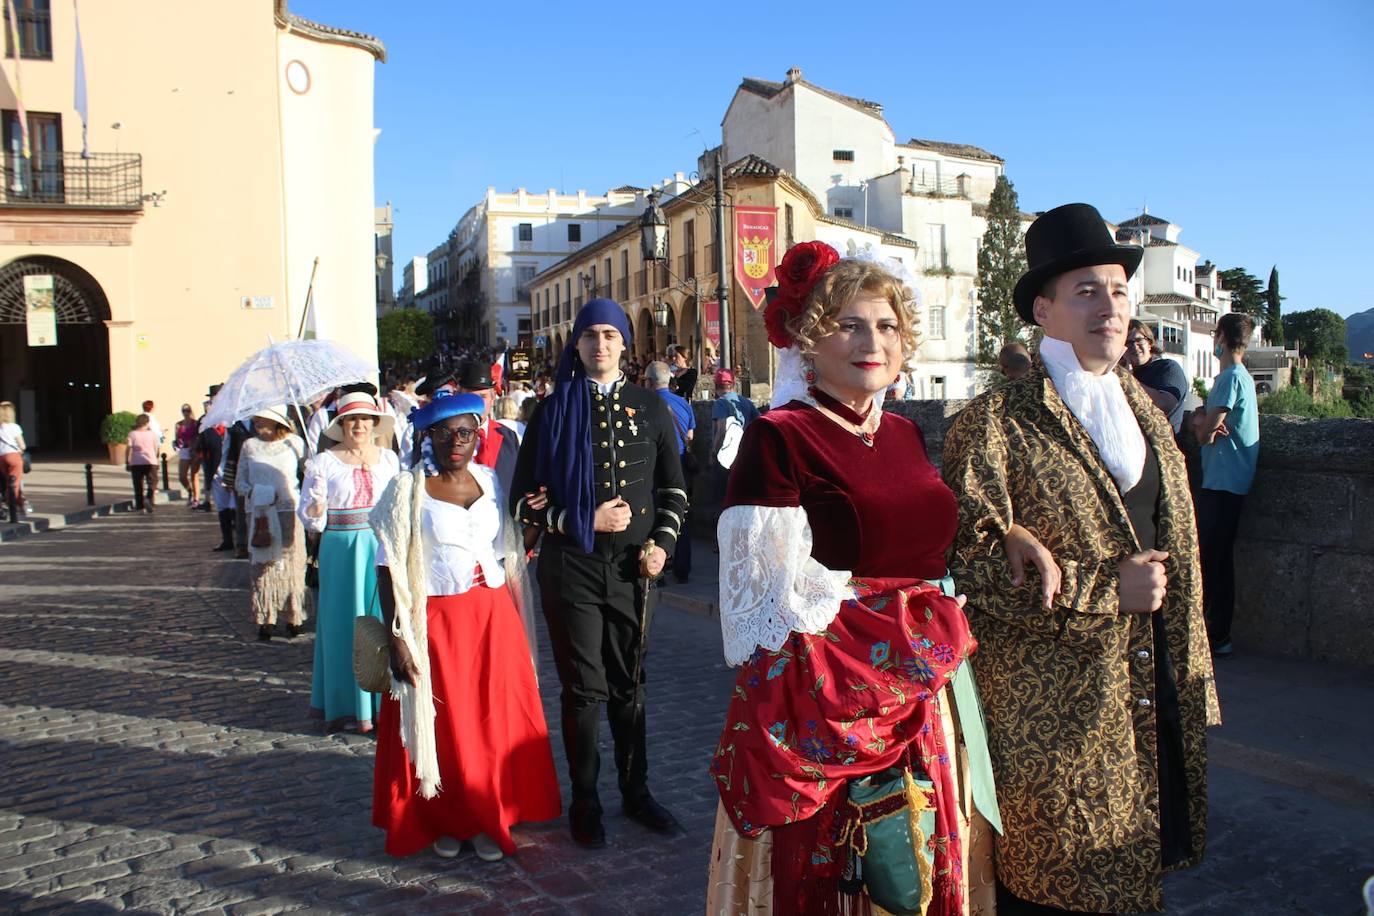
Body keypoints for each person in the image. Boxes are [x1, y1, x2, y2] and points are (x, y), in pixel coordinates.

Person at [708, 244, 1002, 914]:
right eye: (851, 325)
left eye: (889, 326)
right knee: (853, 862)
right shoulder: (780, 436)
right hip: (833, 697)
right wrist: (895, 645)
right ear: (811, 340)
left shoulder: (902, 432)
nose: (875, 341)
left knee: (923, 851)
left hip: (925, 686)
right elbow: (769, 604)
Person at [942, 203, 1219, 914]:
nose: (1110, 306)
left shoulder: (1148, 413)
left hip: (1145, 699)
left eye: (1119, 290)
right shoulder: (993, 421)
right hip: (1054, 722)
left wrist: (1195, 679)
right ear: (1045, 310)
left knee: (1135, 878)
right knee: (1058, 889)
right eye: (1086, 291)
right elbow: (966, 568)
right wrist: (1105, 589)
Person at [510, 298, 689, 848]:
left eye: (611, 334)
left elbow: (675, 491)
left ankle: (636, 792)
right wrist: (579, 519)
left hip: (634, 571)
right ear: (578, 344)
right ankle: (584, 799)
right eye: (591, 335)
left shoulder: (651, 407)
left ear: (624, 344)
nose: (601, 344)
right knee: (583, 689)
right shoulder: (551, 412)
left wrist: (662, 543)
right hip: (572, 568)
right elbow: (521, 502)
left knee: (629, 685)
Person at [370, 391, 560, 862]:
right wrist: (397, 639)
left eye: (466, 432)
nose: (457, 441)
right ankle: (447, 819)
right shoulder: (406, 489)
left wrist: (536, 518)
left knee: (493, 720)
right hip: (437, 621)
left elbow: (510, 546)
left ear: (478, 435)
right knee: (447, 724)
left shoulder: (491, 480)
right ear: (428, 437)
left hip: (493, 616)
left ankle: (487, 814)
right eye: (446, 433)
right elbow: (387, 566)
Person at [299, 392, 400, 734]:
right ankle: (348, 704)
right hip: (341, 549)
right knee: (344, 623)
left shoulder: (389, 459)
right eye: (351, 419)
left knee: (385, 620)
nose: (358, 425)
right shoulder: (323, 463)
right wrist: (313, 507)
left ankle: (384, 701)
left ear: (374, 424)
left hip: (382, 545)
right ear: (341, 425)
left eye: (364, 419)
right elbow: (312, 518)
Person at [1191, 311, 1259, 659]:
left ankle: (1218, 634)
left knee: (1215, 561)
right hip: (1229, 478)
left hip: (1224, 481)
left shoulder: (1230, 378)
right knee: (1216, 559)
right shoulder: (1240, 376)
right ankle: (1217, 632)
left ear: (1220, 338)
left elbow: (1204, 433)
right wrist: (1207, 421)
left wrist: (1201, 420)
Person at [235, 405, 308, 641]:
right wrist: (256, 492)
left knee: (290, 563)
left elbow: (307, 474)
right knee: (263, 566)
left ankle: (293, 614)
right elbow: (240, 482)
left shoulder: (294, 443)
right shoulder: (249, 446)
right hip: (260, 514)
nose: (257, 422)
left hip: (289, 510)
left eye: (262, 418)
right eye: (256, 419)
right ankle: (266, 616)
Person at [645, 360, 696, 584]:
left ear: (648, 381)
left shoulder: (645, 403)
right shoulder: (683, 403)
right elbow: (691, 434)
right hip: (681, 464)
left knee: (656, 516)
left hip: (655, 466)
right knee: (680, 513)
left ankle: (660, 567)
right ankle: (682, 568)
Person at [455, 360, 519, 497]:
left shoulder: (508, 436)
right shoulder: (447, 438)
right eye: (469, 396)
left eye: (482, 397)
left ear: (492, 398)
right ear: (459, 397)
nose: (476, 403)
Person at [1124, 319, 1191, 435]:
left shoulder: (1167, 367)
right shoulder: (1116, 376)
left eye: (1139, 340)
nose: (1134, 346)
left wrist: (1127, 378)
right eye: (1128, 343)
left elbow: (1165, 404)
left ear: (1150, 343)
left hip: (1161, 445)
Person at [126, 414, 159, 513]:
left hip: (136, 461)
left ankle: (140, 506)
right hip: (150, 461)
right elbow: (156, 447)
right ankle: (149, 499)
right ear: (147, 423)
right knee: (152, 482)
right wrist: (156, 458)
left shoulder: (132, 434)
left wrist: (127, 461)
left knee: (138, 484)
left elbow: (129, 448)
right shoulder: (151, 434)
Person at [0, 401, 28, 515]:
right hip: (14, 456)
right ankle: (14, 505)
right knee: (15, 484)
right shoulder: (14, 427)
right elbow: (22, 445)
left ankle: (13, 504)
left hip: (1, 457)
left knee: (7, 481)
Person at [174, 404, 201, 508]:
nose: (186, 412)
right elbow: (177, 438)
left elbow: (199, 436)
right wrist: (177, 442)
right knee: (182, 476)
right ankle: (190, 491)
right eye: (184, 410)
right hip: (184, 450)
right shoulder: (179, 424)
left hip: (194, 450)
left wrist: (193, 443)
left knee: (194, 475)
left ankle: (196, 498)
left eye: (188, 410)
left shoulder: (195, 423)